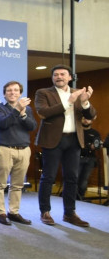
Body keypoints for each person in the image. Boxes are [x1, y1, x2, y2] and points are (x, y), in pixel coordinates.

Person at [35, 64, 96, 227]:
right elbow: (43, 112)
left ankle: (70, 213)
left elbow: (92, 115)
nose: (59, 77)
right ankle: (45, 211)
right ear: (52, 78)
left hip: (74, 140)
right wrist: (68, 102)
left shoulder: (78, 93)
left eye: (63, 74)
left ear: (70, 77)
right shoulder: (43, 93)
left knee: (72, 177)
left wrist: (84, 103)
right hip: (52, 139)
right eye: (56, 75)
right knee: (48, 176)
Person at [0, 81, 37, 225]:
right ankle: (1, 213)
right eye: (9, 90)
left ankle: (14, 212)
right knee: (0, 184)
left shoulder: (27, 109)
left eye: (16, 90)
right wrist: (17, 110)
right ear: (4, 94)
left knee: (17, 185)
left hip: (23, 150)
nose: (12, 93)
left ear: (20, 93)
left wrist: (23, 114)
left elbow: (32, 126)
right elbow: (3, 123)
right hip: (5, 149)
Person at [77, 117, 102, 200]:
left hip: (90, 159)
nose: (85, 120)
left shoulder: (95, 133)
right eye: (84, 118)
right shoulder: (76, 132)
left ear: (91, 121)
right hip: (77, 158)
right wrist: (88, 146)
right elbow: (78, 145)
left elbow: (96, 145)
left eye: (88, 119)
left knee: (84, 179)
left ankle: (81, 197)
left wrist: (89, 146)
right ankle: (73, 197)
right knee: (74, 178)